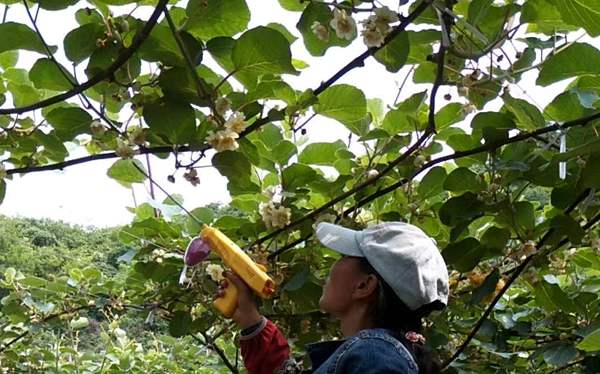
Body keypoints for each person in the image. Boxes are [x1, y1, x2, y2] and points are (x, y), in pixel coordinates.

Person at [216, 221, 449, 374]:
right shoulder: (375, 353)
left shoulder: (373, 354)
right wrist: (248, 317)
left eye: (345, 255)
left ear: (364, 285)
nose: (334, 265)